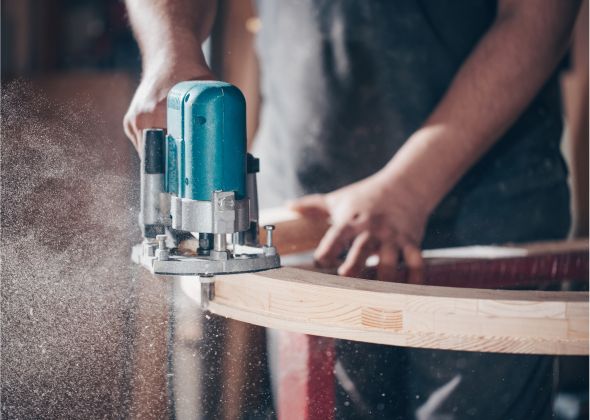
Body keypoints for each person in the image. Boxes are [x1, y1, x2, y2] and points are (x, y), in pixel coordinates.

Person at [123, 0, 582, 418]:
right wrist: (171, 50)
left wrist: (409, 188)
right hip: (311, 203)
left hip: (491, 192)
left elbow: (541, 14)